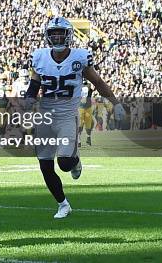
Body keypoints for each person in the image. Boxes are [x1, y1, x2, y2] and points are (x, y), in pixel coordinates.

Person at [26, 17, 126, 219]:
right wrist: (27, 102)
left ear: (68, 35)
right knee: (45, 165)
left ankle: (75, 160)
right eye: (53, 33)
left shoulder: (80, 57)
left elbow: (98, 82)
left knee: (64, 163)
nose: (56, 36)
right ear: (48, 36)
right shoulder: (39, 57)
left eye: (60, 33)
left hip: (66, 116)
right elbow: (34, 85)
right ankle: (63, 204)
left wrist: (116, 103)